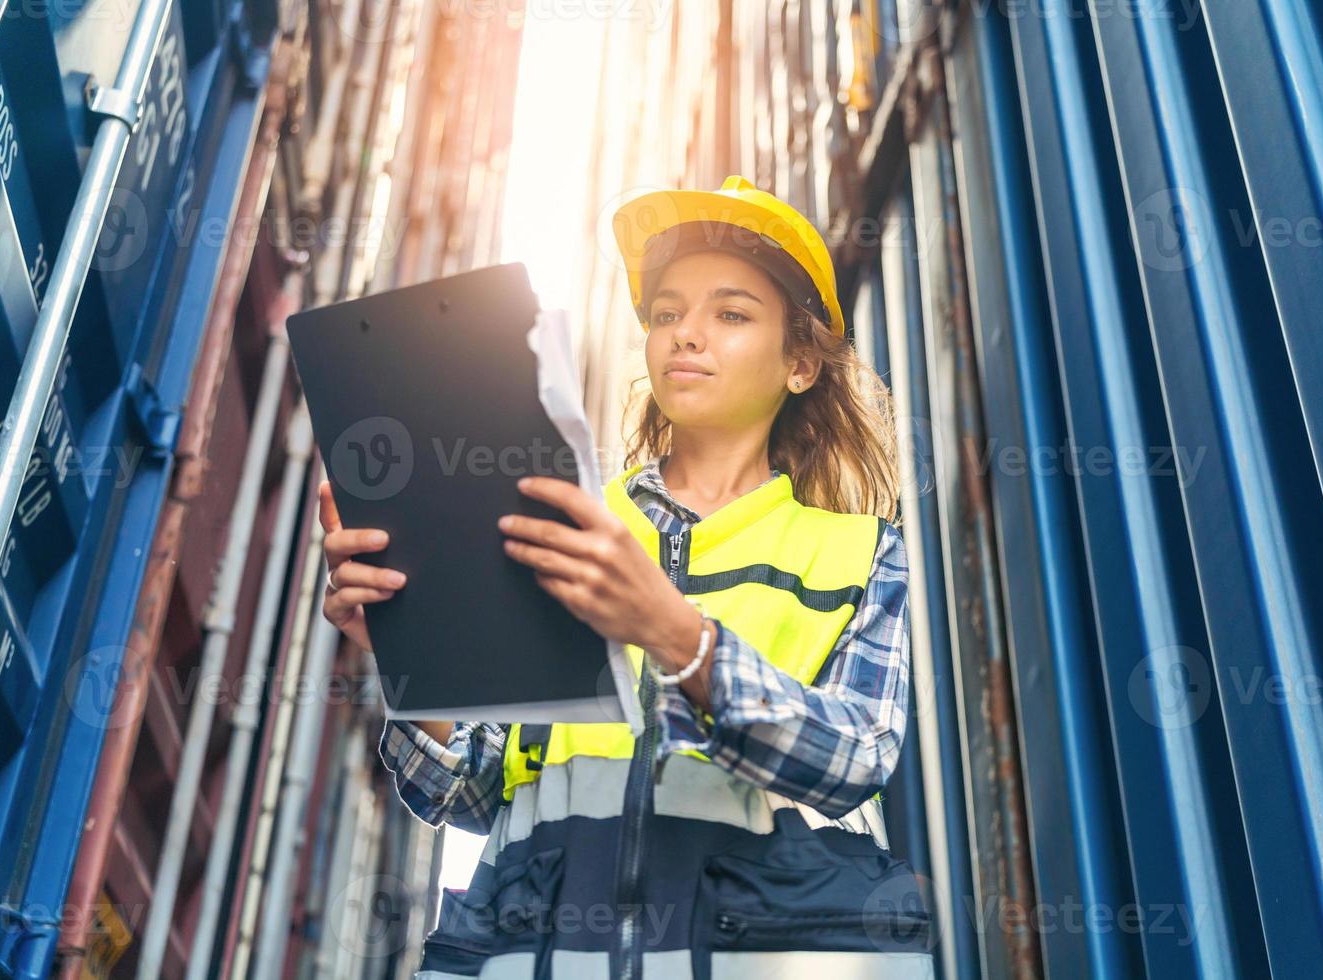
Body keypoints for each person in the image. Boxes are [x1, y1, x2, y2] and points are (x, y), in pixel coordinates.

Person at [319, 175, 933, 979]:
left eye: (732, 314)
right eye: (669, 313)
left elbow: (852, 758)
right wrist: (405, 648)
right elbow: (473, 791)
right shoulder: (559, 523)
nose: (688, 335)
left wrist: (677, 638)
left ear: (801, 364)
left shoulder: (857, 552)